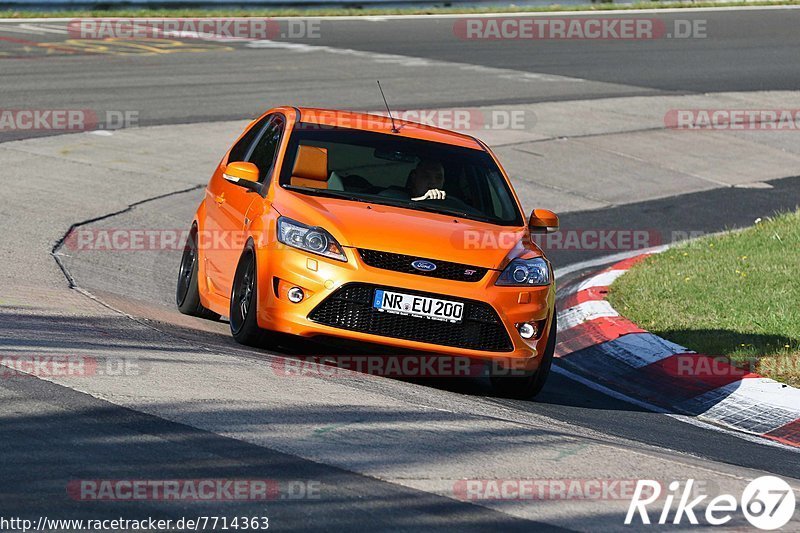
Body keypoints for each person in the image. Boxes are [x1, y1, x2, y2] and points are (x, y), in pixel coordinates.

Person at [379, 159, 447, 201]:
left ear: (443, 181)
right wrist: (421, 201)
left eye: (438, 177)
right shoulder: (390, 197)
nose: (433, 182)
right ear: (414, 177)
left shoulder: (452, 208)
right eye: (426, 176)